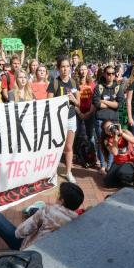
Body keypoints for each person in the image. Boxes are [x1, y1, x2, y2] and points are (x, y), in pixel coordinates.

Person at [0, 182, 84, 250]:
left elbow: (20, 232)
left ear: (62, 201)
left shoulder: (49, 211)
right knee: (41, 215)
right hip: (48, 252)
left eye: (57, 195)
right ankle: (32, 210)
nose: (56, 196)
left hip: (26, 249)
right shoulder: (78, 219)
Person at [48, 55, 79, 183]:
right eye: (62, 67)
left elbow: (79, 103)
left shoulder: (73, 83)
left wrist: (73, 99)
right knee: (56, 148)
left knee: (69, 147)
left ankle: (68, 172)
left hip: (71, 117)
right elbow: (48, 102)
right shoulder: (54, 82)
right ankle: (53, 173)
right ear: (58, 68)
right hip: (58, 120)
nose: (65, 69)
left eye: (67, 67)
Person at [92, 66, 123, 173]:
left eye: (112, 74)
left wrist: (104, 102)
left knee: (111, 143)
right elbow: (96, 103)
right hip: (100, 120)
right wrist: (111, 104)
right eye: (108, 73)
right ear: (104, 74)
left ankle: (109, 166)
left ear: (115, 75)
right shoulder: (99, 87)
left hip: (113, 120)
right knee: (101, 143)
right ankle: (103, 166)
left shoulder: (118, 87)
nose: (110, 76)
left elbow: (119, 105)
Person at [100, 120, 134, 187]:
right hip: (117, 162)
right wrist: (115, 139)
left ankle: (130, 179)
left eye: (111, 126)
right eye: (107, 129)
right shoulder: (106, 140)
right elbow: (115, 153)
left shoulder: (124, 131)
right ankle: (124, 183)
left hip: (129, 161)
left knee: (122, 173)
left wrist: (121, 134)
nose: (110, 129)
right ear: (105, 132)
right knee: (108, 182)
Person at [74, 64, 97, 157]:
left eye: (84, 69)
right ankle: (78, 154)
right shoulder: (75, 83)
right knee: (77, 133)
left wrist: (89, 113)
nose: (83, 71)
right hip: (77, 112)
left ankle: (92, 154)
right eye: (81, 69)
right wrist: (79, 112)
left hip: (90, 112)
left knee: (90, 134)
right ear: (79, 71)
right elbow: (72, 100)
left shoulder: (92, 84)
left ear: (88, 71)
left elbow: (95, 100)